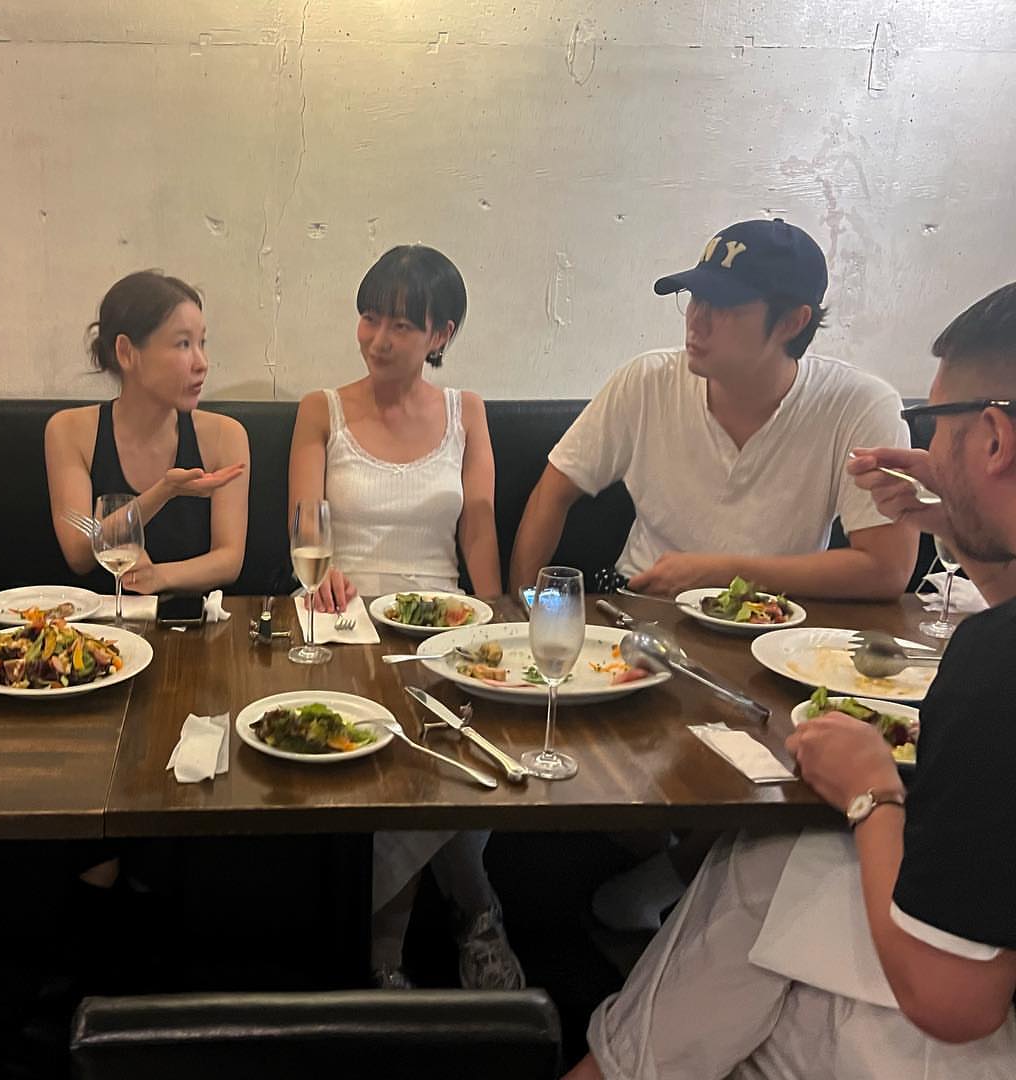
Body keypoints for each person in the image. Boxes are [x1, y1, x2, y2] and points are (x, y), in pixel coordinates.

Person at [565, 282, 1016, 1080]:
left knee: (743, 968)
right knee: (767, 861)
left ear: (993, 439)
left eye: (937, 424)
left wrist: (871, 791)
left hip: (972, 1032)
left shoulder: (994, 666)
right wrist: (953, 516)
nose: (926, 444)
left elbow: (955, 1002)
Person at [287, 245, 516, 990]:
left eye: (401, 325)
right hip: (342, 621)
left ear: (441, 334)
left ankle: (398, 949)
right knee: (405, 759)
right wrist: (324, 570)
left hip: (443, 625)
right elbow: (305, 527)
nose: (378, 339)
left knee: (476, 749)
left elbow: (478, 523)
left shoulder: (466, 412)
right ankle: (464, 920)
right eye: (369, 317)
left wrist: (496, 626)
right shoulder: (320, 409)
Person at [510, 217, 917, 601]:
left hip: (777, 621)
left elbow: (887, 569)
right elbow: (552, 493)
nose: (696, 321)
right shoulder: (648, 381)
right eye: (695, 299)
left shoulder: (859, 405)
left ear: (792, 322)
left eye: (724, 306)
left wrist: (722, 573)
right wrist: (523, 612)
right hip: (646, 606)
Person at [45, 270, 249, 595]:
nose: (202, 362)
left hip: (193, 622)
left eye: (202, 343)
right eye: (183, 344)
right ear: (127, 353)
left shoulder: (226, 435)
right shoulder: (69, 431)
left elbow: (229, 560)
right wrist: (164, 490)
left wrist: (159, 577)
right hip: (96, 621)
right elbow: (79, 553)